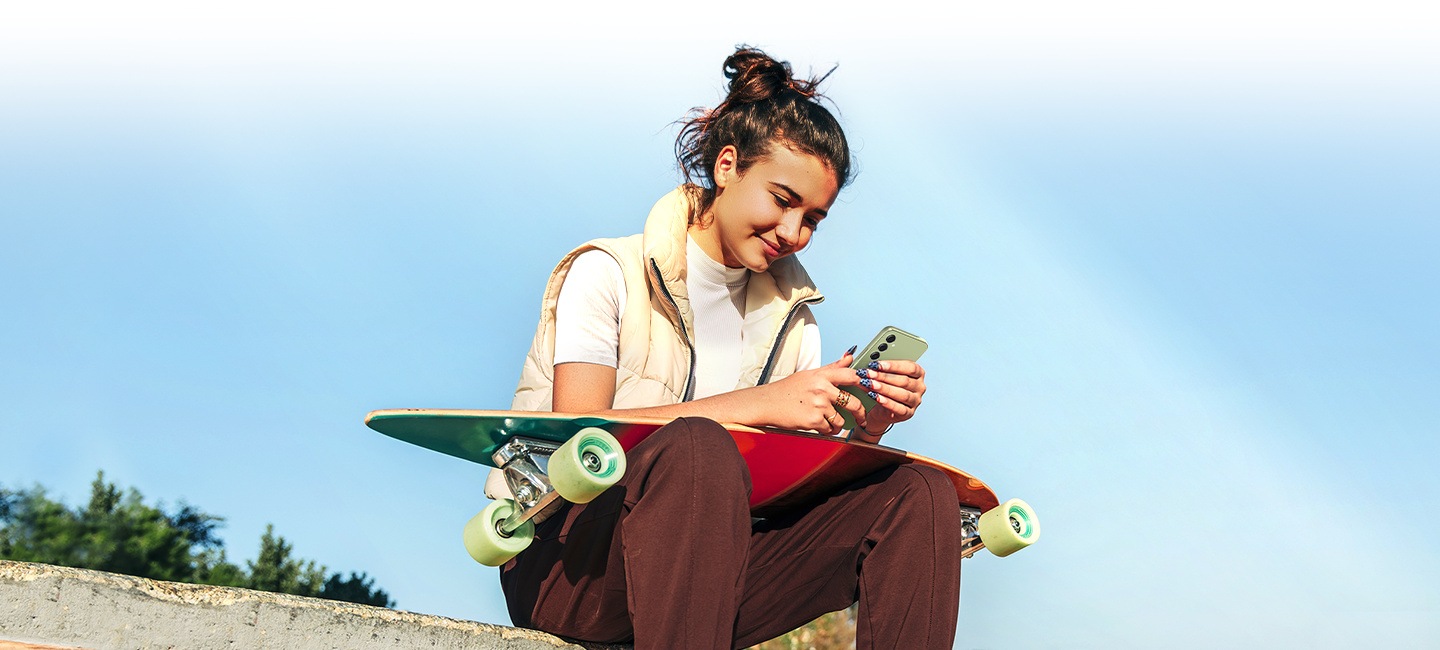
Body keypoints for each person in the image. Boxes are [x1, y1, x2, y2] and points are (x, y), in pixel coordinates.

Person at [495, 47, 962, 650]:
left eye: (814, 218)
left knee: (918, 495)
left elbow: (788, 490)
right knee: (698, 448)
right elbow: (574, 442)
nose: (794, 234)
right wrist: (764, 403)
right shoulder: (607, 272)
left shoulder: (794, 323)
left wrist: (862, 431)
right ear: (726, 166)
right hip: (569, 565)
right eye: (782, 200)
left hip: (714, 576)